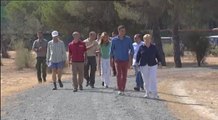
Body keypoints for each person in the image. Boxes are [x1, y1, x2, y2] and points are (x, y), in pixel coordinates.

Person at [136, 34, 162, 98]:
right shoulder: (141, 47)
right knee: (146, 80)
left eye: (148, 39)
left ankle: (155, 93)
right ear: (143, 40)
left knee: (153, 79)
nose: (147, 40)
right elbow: (138, 56)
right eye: (145, 39)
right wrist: (137, 63)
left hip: (153, 65)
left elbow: (157, 55)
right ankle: (147, 93)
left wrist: (160, 62)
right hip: (143, 65)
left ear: (150, 39)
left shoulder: (154, 47)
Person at [110, 25, 134, 95]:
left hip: (125, 60)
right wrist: (111, 60)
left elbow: (132, 50)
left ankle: (123, 88)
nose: (123, 32)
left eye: (124, 31)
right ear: (119, 31)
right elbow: (111, 51)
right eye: (122, 31)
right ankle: (119, 89)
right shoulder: (114, 40)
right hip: (117, 60)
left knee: (124, 75)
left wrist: (130, 59)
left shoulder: (128, 39)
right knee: (118, 74)